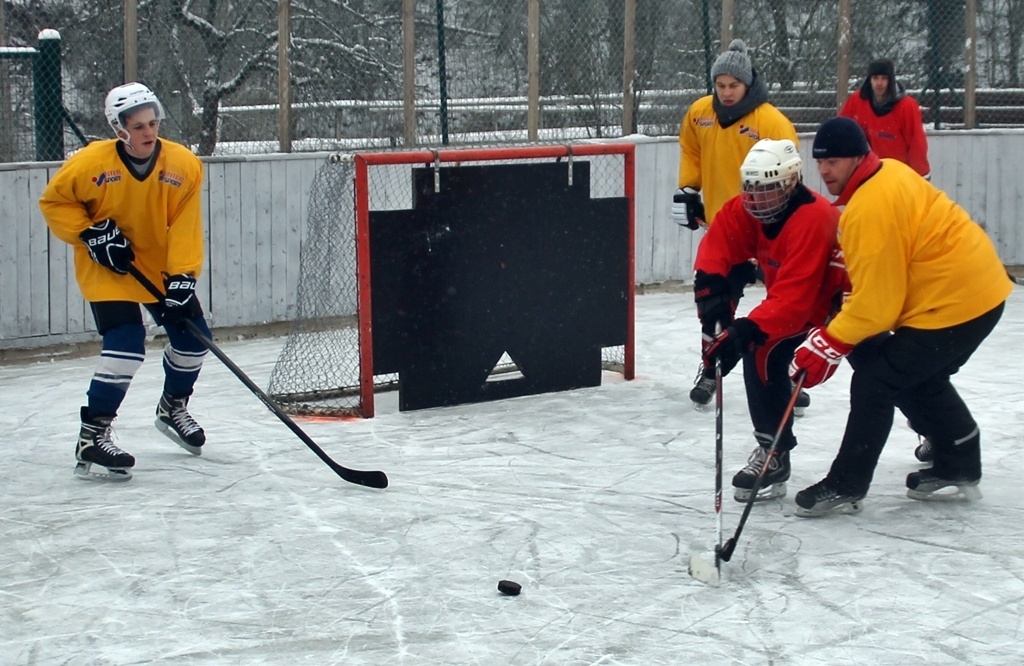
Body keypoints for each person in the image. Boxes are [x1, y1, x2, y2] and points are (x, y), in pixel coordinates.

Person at [789, 117, 1012, 517]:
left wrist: (828, 342)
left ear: (858, 157)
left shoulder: (868, 208)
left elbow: (878, 307)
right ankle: (959, 456)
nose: (824, 170)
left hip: (956, 303)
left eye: (834, 161)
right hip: (980, 291)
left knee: (876, 381)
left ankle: (847, 483)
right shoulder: (890, 170)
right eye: (820, 161)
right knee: (914, 375)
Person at [39, 82, 210, 481]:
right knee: (126, 346)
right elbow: (55, 202)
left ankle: (173, 406)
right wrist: (88, 232)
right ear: (119, 129)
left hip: (158, 266)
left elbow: (184, 223)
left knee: (194, 339)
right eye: (138, 126)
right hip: (110, 268)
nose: (149, 132)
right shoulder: (90, 163)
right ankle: (92, 434)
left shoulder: (182, 164)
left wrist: (183, 274)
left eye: (153, 123)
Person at [698, 139, 845, 502]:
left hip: (841, 304)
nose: (756, 198)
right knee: (761, 350)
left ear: (791, 182)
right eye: (750, 188)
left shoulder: (814, 218)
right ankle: (773, 452)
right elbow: (720, 246)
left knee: (886, 373)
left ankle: (947, 438)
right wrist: (714, 301)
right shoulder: (749, 209)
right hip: (797, 301)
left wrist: (743, 331)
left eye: (766, 189)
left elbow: (796, 301)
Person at [670, 39, 802, 410]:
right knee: (713, 302)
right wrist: (688, 188)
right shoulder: (700, 113)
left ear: (748, 84)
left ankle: (787, 373)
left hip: (767, 233)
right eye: (720, 85)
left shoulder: (770, 122)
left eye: (734, 85)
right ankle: (711, 369)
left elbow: (791, 173)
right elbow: (691, 148)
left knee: (786, 306)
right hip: (724, 233)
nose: (726, 93)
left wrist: (786, 225)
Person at [839, 58, 930, 178]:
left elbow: (917, 143)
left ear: (891, 80)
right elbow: (841, 130)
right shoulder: (857, 101)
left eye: (884, 78)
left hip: (900, 173)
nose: (879, 83)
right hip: (871, 170)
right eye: (875, 78)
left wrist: (921, 176)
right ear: (869, 80)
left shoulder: (907, 106)